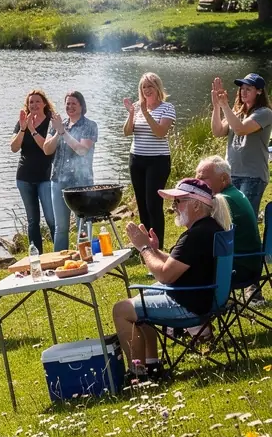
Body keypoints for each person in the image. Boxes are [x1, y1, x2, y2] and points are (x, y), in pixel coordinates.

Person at [112, 178, 231, 374]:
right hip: (203, 299)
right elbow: (178, 265)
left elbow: (166, 275)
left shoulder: (195, 236)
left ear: (195, 204)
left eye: (178, 201)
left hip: (189, 306)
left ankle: (137, 374)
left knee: (121, 310)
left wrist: (143, 248)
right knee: (137, 301)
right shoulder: (209, 228)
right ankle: (151, 365)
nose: (173, 207)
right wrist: (153, 250)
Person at [123, 71, 176, 249]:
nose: (147, 90)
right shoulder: (137, 107)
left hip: (158, 161)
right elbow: (127, 132)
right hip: (136, 159)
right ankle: (145, 245)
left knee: (153, 203)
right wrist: (132, 114)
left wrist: (146, 113)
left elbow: (160, 132)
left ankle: (157, 246)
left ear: (157, 88)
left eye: (150, 86)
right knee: (142, 203)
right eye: (144, 87)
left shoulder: (167, 107)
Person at [211, 73, 272, 220]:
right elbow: (218, 131)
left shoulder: (265, 113)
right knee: (228, 218)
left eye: (248, 89)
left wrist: (225, 105)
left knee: (245, 219)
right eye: (241, 88)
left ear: (259, 91)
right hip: (232, 174)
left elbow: (241, 129)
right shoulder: (237, 112)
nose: (243, 92)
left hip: (253, 176)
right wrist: (217, 107)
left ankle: (252, 244)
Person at [195, 155, 262, 286]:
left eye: (203, 179)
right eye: (197, 179)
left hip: (238, 267)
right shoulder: (234, 194)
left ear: (224, 179)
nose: (199, 184)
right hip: (247, 264)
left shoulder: (223, 200)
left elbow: (201, 235)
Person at [45, 91, 98, 251]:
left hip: (81, 181)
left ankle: (86, 259)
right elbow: (47, 149)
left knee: (82, 224)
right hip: (58, 181)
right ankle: (61, 263)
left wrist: (63, 132)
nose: (70, 107)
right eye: (68, 103)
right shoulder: (58, 124)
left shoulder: (90, 125)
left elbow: (82, 150)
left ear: (82, 106)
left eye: (74, 103)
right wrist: (57, 132)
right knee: (60, 227)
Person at [10, 89, 58, 253]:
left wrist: (33, 130)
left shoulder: (51, 122)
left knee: (51, 219)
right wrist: (23, 129)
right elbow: (14, 148)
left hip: (45, 177)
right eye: (31, 102)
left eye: (38, 101)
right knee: (33, 220)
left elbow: (47, 149)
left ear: (45, 103)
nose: (34, 105)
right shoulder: (22, 122)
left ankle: (59, 251)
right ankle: (37, 257)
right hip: (24, 177)